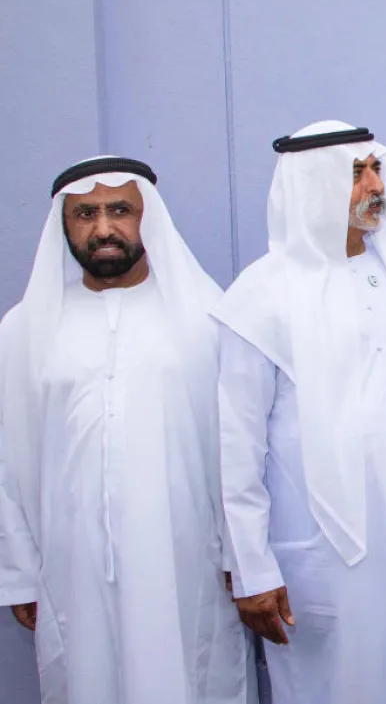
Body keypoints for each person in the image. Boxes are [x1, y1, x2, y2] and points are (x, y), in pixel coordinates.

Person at [212, 122, 386, 704]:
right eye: (354, 173)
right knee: (333, 682)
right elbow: (236, 444)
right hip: (316, 538)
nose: (373, 185)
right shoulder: (261, 295)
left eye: (375, 169)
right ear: (312, 185)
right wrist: (251, 567)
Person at [0, 157, 246, 703]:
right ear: (64, 225)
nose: (104, 228)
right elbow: (7, 459)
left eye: (120, 210)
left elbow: (239, 449)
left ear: (147, 217)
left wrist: (243, 557)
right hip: (71, 566)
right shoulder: (24, 330)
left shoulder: (205, 317)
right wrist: (17, 573)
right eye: (85, 214)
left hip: (186, 560)